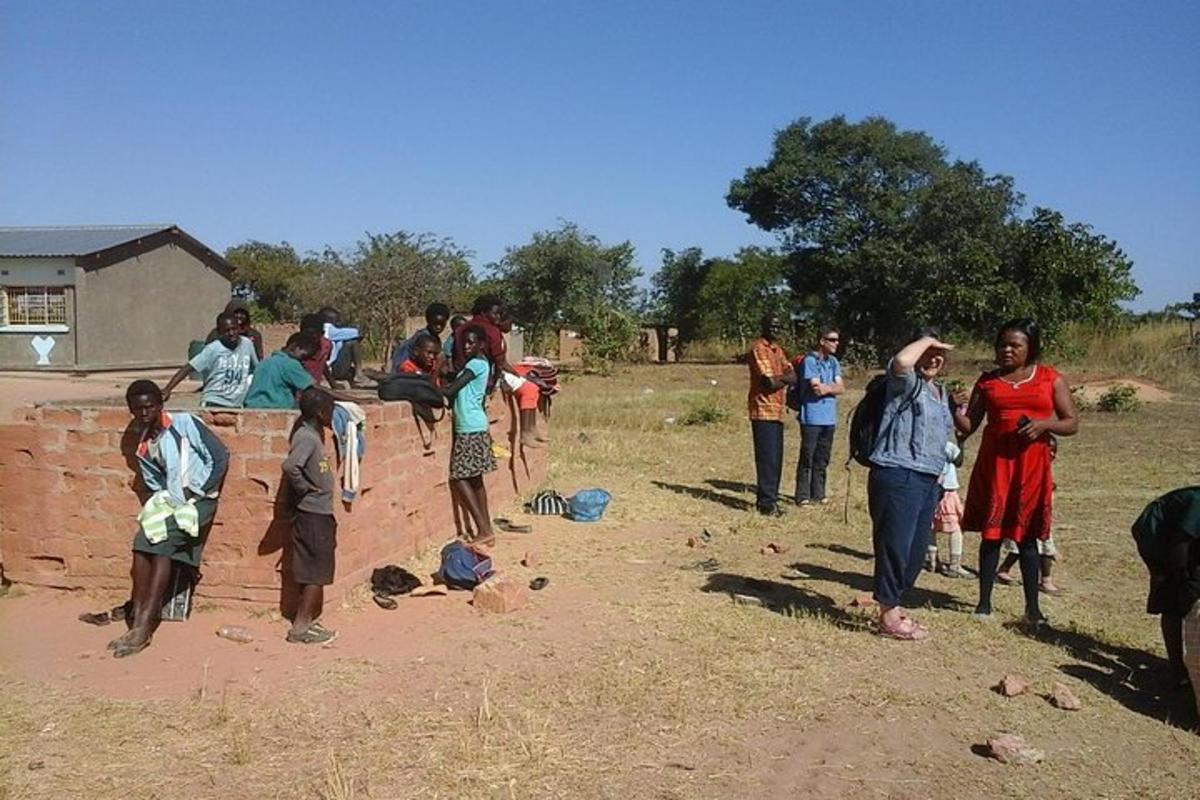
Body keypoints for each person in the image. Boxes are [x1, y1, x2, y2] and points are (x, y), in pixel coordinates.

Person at [954, 319, 1079, 626]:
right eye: (1003, 344)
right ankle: (983, 603)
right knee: (992, 534)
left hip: (1031, 466)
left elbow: (1071, 422)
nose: (1007, 350)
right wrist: (952, 409)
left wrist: (1044, 425)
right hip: (996, 463)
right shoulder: (987, 381)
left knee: (1028, 536)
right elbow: (970, 425)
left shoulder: (1049, 378)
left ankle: (1032, 608)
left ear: (1030, 348)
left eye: (1015, 345)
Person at [109, 380, 229, 658]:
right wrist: (164, 501)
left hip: (199, 501)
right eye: (137, 409)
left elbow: (220, 456)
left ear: (160, 405)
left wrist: (199, 490)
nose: (144, 413)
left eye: (149, 406)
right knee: (141, 546)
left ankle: (143, 627)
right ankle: (138, 616)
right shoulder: (144, 447)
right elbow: (155, 483)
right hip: (172, 503)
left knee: (162, 549)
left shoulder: (185, 423)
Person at [868, 330, 956, 641]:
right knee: (895, 546)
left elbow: (947, 439)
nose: (933, 358)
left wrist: (948, 479)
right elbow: (902, 362)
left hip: (928, 479)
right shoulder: (904, 384)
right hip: (897, 473)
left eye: (939, 354)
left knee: (916, 552)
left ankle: (892, 601)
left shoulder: (941, 393)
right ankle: (888, 614)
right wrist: (924, 343)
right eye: (927, 352)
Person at [1132, 486, 1200, 715]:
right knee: (1171, 600)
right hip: (1157, 536)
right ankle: (1177, 669)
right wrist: (1183, 584)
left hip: (1181, 541)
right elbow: (1180, 545)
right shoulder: (1198, 503)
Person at [281, 387, 339, 644]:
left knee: (314, 570)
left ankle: (307, 621)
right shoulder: (307, 437)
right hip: (313, 513)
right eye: (330, 411)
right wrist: (305, 488)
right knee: (316, 572)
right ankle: (301, 628)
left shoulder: (313, 435)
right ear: (319, 412)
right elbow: (292, 466)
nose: (332, 415)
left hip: (318, 512)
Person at [443, 326, 497, 544]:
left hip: (469, 428)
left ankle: (483, 530)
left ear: (481, 345)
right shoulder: (482, 364)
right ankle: (487, 529)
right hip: (477, 426)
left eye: (471, 343)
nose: (466, 346)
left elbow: (451, 390)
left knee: (459, 477)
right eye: (464, 343)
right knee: (476, 480)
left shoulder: (475, 364)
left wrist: (423, 386)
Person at [747, 312, 797, 516]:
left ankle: (772, 499)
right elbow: (768, 383)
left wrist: (782, 379)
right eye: (772, 326)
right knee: (767, 457)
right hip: (763, 409)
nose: (775, 329)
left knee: (776, 458)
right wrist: (784, 379)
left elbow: (794, 376)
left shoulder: (778, 350)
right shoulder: (759, 348)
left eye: (778, 326)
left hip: (777, 410)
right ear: (763, 326)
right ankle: (766, 503)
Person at [998, 434, 1061, 592]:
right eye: (1049, 450)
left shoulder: (1047, 471)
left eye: (1054, 451)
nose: (1052, 454)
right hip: (1027, 517)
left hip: (1042, 518)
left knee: (1044, 547)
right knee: (1026, 547)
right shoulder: (1030, 468)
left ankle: (1045, 580)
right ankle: (1005, 570)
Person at [162, 311, 258, 407]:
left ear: (239, 328)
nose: (231, 333)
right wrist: (168, 389)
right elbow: (188, 368)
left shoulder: (247, 344)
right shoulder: (213, 349)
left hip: (236, 404)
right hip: (214, 401)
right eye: (227, 331)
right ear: (220, 332)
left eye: (234, 329)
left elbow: (257, 369)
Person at [794, 326, 844, 506]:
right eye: (832, 339)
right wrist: (831, 388)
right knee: (807, 456)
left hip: (829, 418)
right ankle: (802, 495)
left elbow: (841, 388)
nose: (836, 343)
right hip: (812, 417)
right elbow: (816, 389)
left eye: (837, 340)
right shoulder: (810, 361)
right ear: (822, 341)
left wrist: (827, 388)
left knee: (823, 457)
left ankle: (819, 493)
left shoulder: (834, 362)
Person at [245, 333, 352, 409]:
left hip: (251, 407)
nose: (304, 362)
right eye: (303, 357)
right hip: (275, 408)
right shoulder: (290, 364)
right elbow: (317, 389)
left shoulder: (266, 362)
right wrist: (354, 400)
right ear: (295, 347)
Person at [926, 439, 970, 578]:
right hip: (947, 492)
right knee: (956, 529)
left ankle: (932, 561)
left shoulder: (925, 442)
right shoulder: (946, 444)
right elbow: (958, 462)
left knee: (931, 527)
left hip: (929, 490)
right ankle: (954, 565)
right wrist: (961, 443)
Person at [391, 302, 450, 373]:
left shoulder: (435, 339)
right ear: (428, 320)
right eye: (435, 323)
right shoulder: (421, 339)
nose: (438, 327)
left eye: (442, 324)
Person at [319, 306, 370, 388]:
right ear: (330, 320)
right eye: (337, 320)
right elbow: (358, 333)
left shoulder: (319, 328)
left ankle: (356, 374)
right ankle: (359, 375)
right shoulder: (328, 329)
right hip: (330, 369)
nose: (339, 322)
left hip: (326, 368)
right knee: (352, 342)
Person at [299, 313, 333, 386]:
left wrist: (332, 383)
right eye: (307, 334)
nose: (310, 338)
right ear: (301, 332)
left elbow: (323, 363)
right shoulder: (296, 349)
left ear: (322, 333)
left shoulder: (326, 345)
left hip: (314, 388)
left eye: (314, 335)